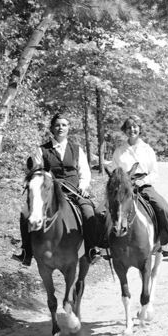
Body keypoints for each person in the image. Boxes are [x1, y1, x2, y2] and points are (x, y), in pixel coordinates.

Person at [15, 113, 103, 266]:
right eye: (57, 125)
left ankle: (92, 249)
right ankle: (26, 252)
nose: (60, 128)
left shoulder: (77, 149)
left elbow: (84, 172)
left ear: (68, 128)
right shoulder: (41, 150)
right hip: (50, 193)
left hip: (74, 191)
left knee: (89, 211)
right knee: (25, 213)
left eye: (64, 125)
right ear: (52, 129)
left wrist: (82, 187)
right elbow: (36, 173)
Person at [106, 117, 168, 258]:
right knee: (104, 210)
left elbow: (155, 173)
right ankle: (105, 246)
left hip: (143, 184)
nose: (132, 130)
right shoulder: (119, 151)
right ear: (125, 130)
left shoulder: (147, 149)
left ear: (140, 129)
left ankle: (166, 243)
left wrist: (143, 181)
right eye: (128, 127)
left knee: (162, 207)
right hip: (124, 187)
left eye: (135, 127)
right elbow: (116, 171)